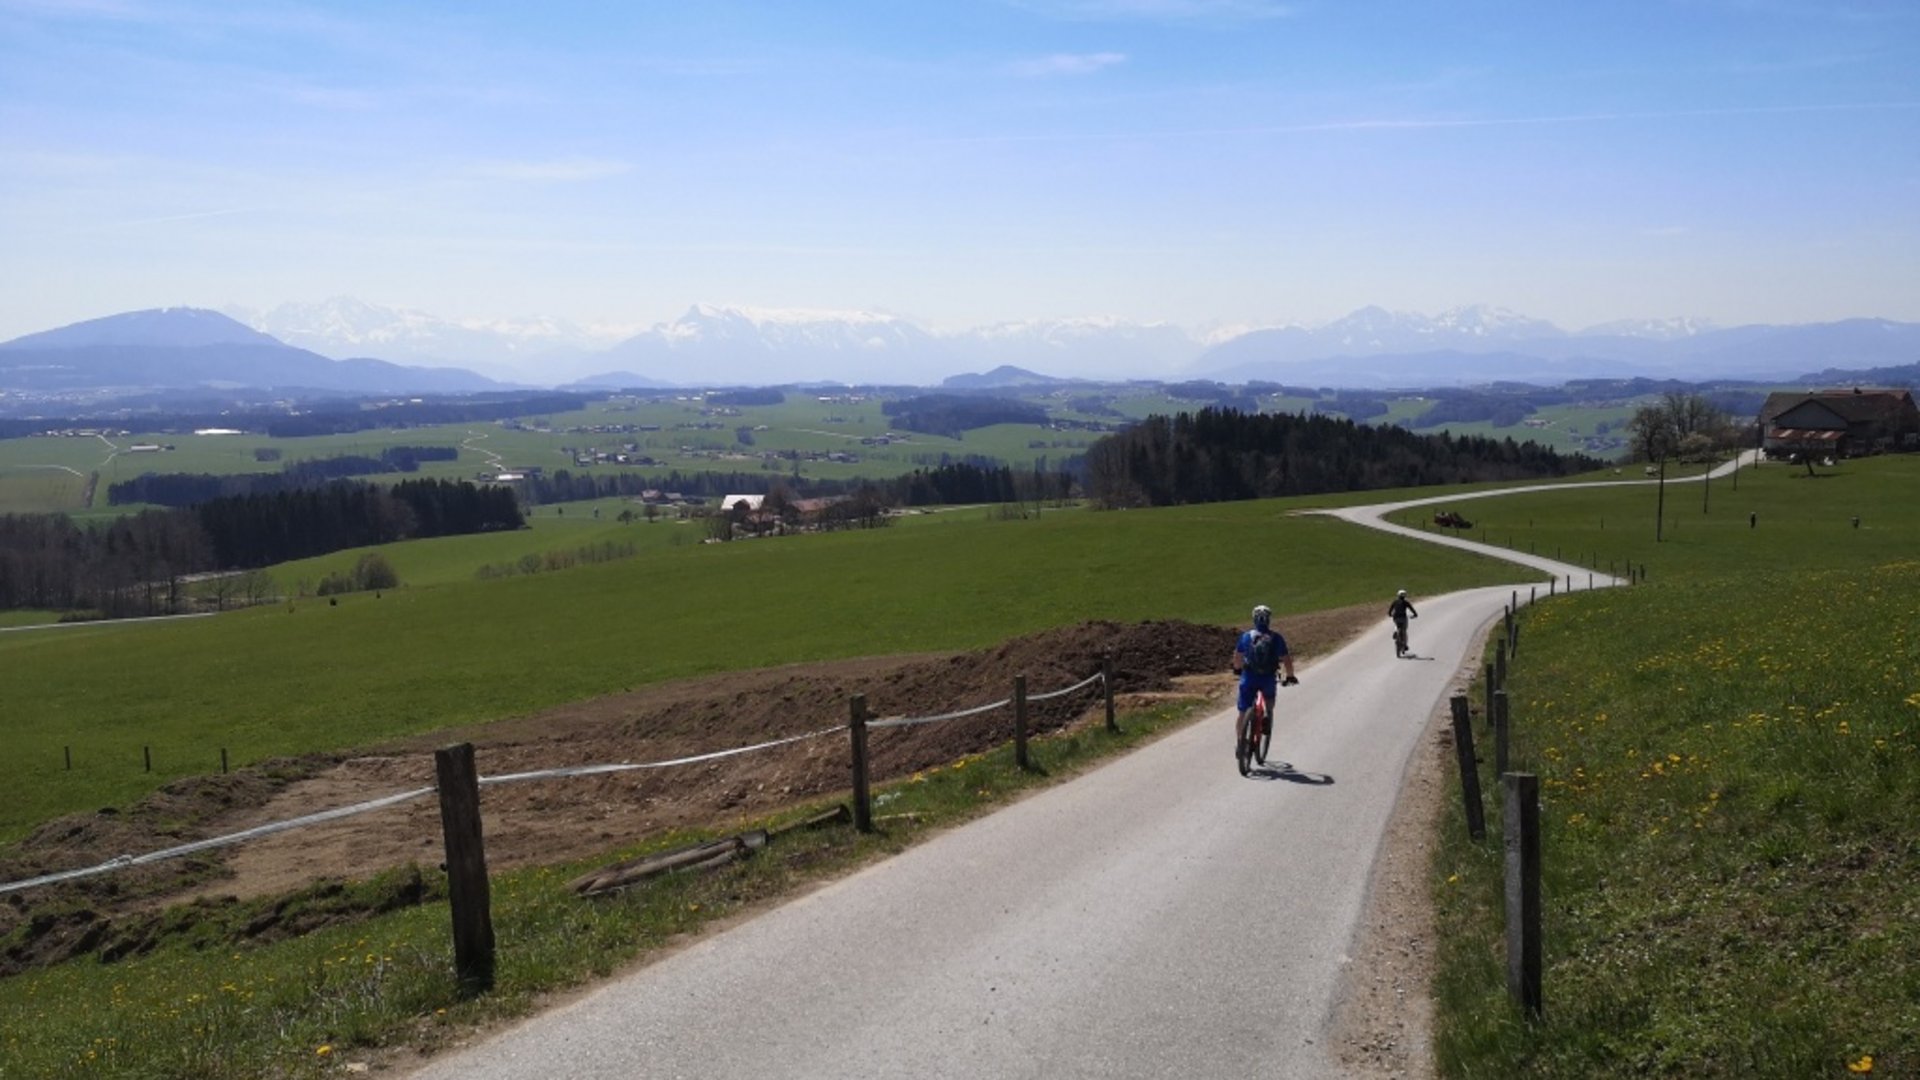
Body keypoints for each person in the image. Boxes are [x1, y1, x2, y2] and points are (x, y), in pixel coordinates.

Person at [1231, 604, 1298, 747]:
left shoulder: (1246, 636)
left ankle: (1240, 744)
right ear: (1268, 620)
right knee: (1269, 700)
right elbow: (1286, 659)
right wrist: (1290, 675)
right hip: (1267, 677)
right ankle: (1267, 714)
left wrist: (1237, 669)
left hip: (1249, 676)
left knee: (1242, 712)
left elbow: (1238, 656)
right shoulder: (1276, 637)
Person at [1388, 589, 1418, 657]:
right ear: (1405, 596)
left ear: (1398, 595)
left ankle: (1395, 631)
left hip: (1396, 617)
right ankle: (1404, 645)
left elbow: (1390, 611)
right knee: (1404, 631)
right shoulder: (1406, 602)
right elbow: (1412, 609)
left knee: (1396, 625)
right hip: (1403, 618)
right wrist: (1415, 614)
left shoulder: (1394, 602)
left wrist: (1390, 614)